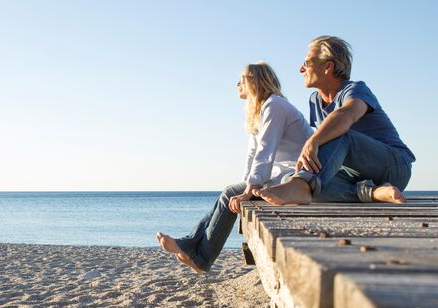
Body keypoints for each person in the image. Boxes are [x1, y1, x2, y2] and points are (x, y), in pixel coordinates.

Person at [157, 62, 313, 273]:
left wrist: (247, 191)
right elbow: (252, 156)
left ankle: (200, 258)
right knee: (232, 191)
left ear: (256, 81)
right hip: (280, 174)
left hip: (295, 177)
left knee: (231, 192)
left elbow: (265, 152)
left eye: (242, 78)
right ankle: (191, 247)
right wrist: (245, 188)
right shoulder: (261, 110)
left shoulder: (274, 106)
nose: (237, 83)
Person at [253, 36, 415, 205]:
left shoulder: (356, 89)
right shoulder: (315, 100)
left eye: (307, 63)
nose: (301, 69)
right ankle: (373, 193)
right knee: (292, 178)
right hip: (356, 174)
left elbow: (347, 115)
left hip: (395, 166)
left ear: (328, 66)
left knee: (338, 134)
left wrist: (313, 140)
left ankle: (301, 186)